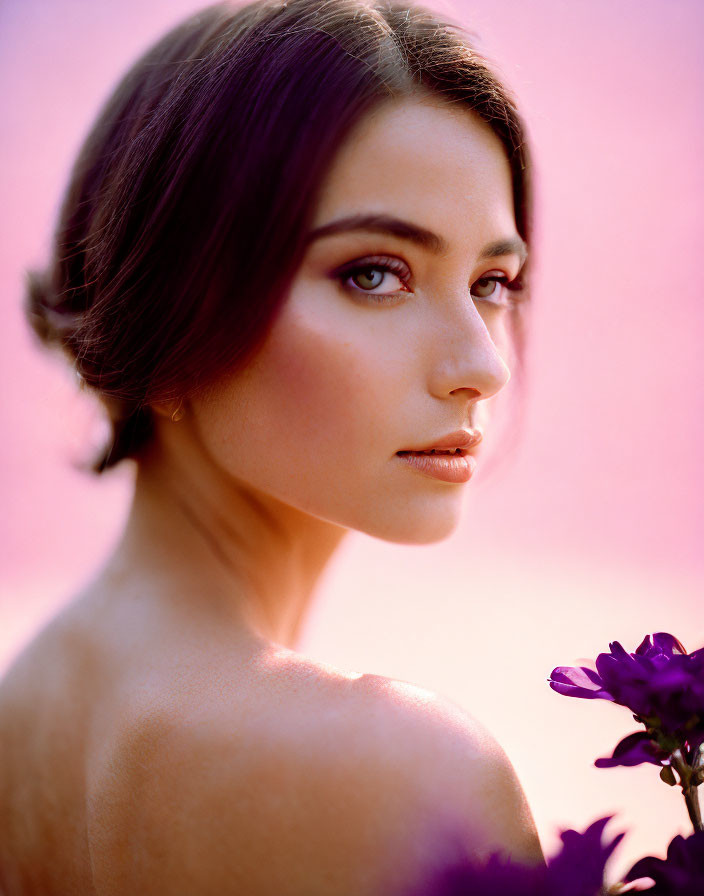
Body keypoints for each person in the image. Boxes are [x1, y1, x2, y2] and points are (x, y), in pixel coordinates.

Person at [0, 0, 542, 891]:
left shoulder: (25, 708)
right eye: (374, 273)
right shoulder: (401, 773)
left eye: (492, 280)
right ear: (166, 317)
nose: (480, 365)